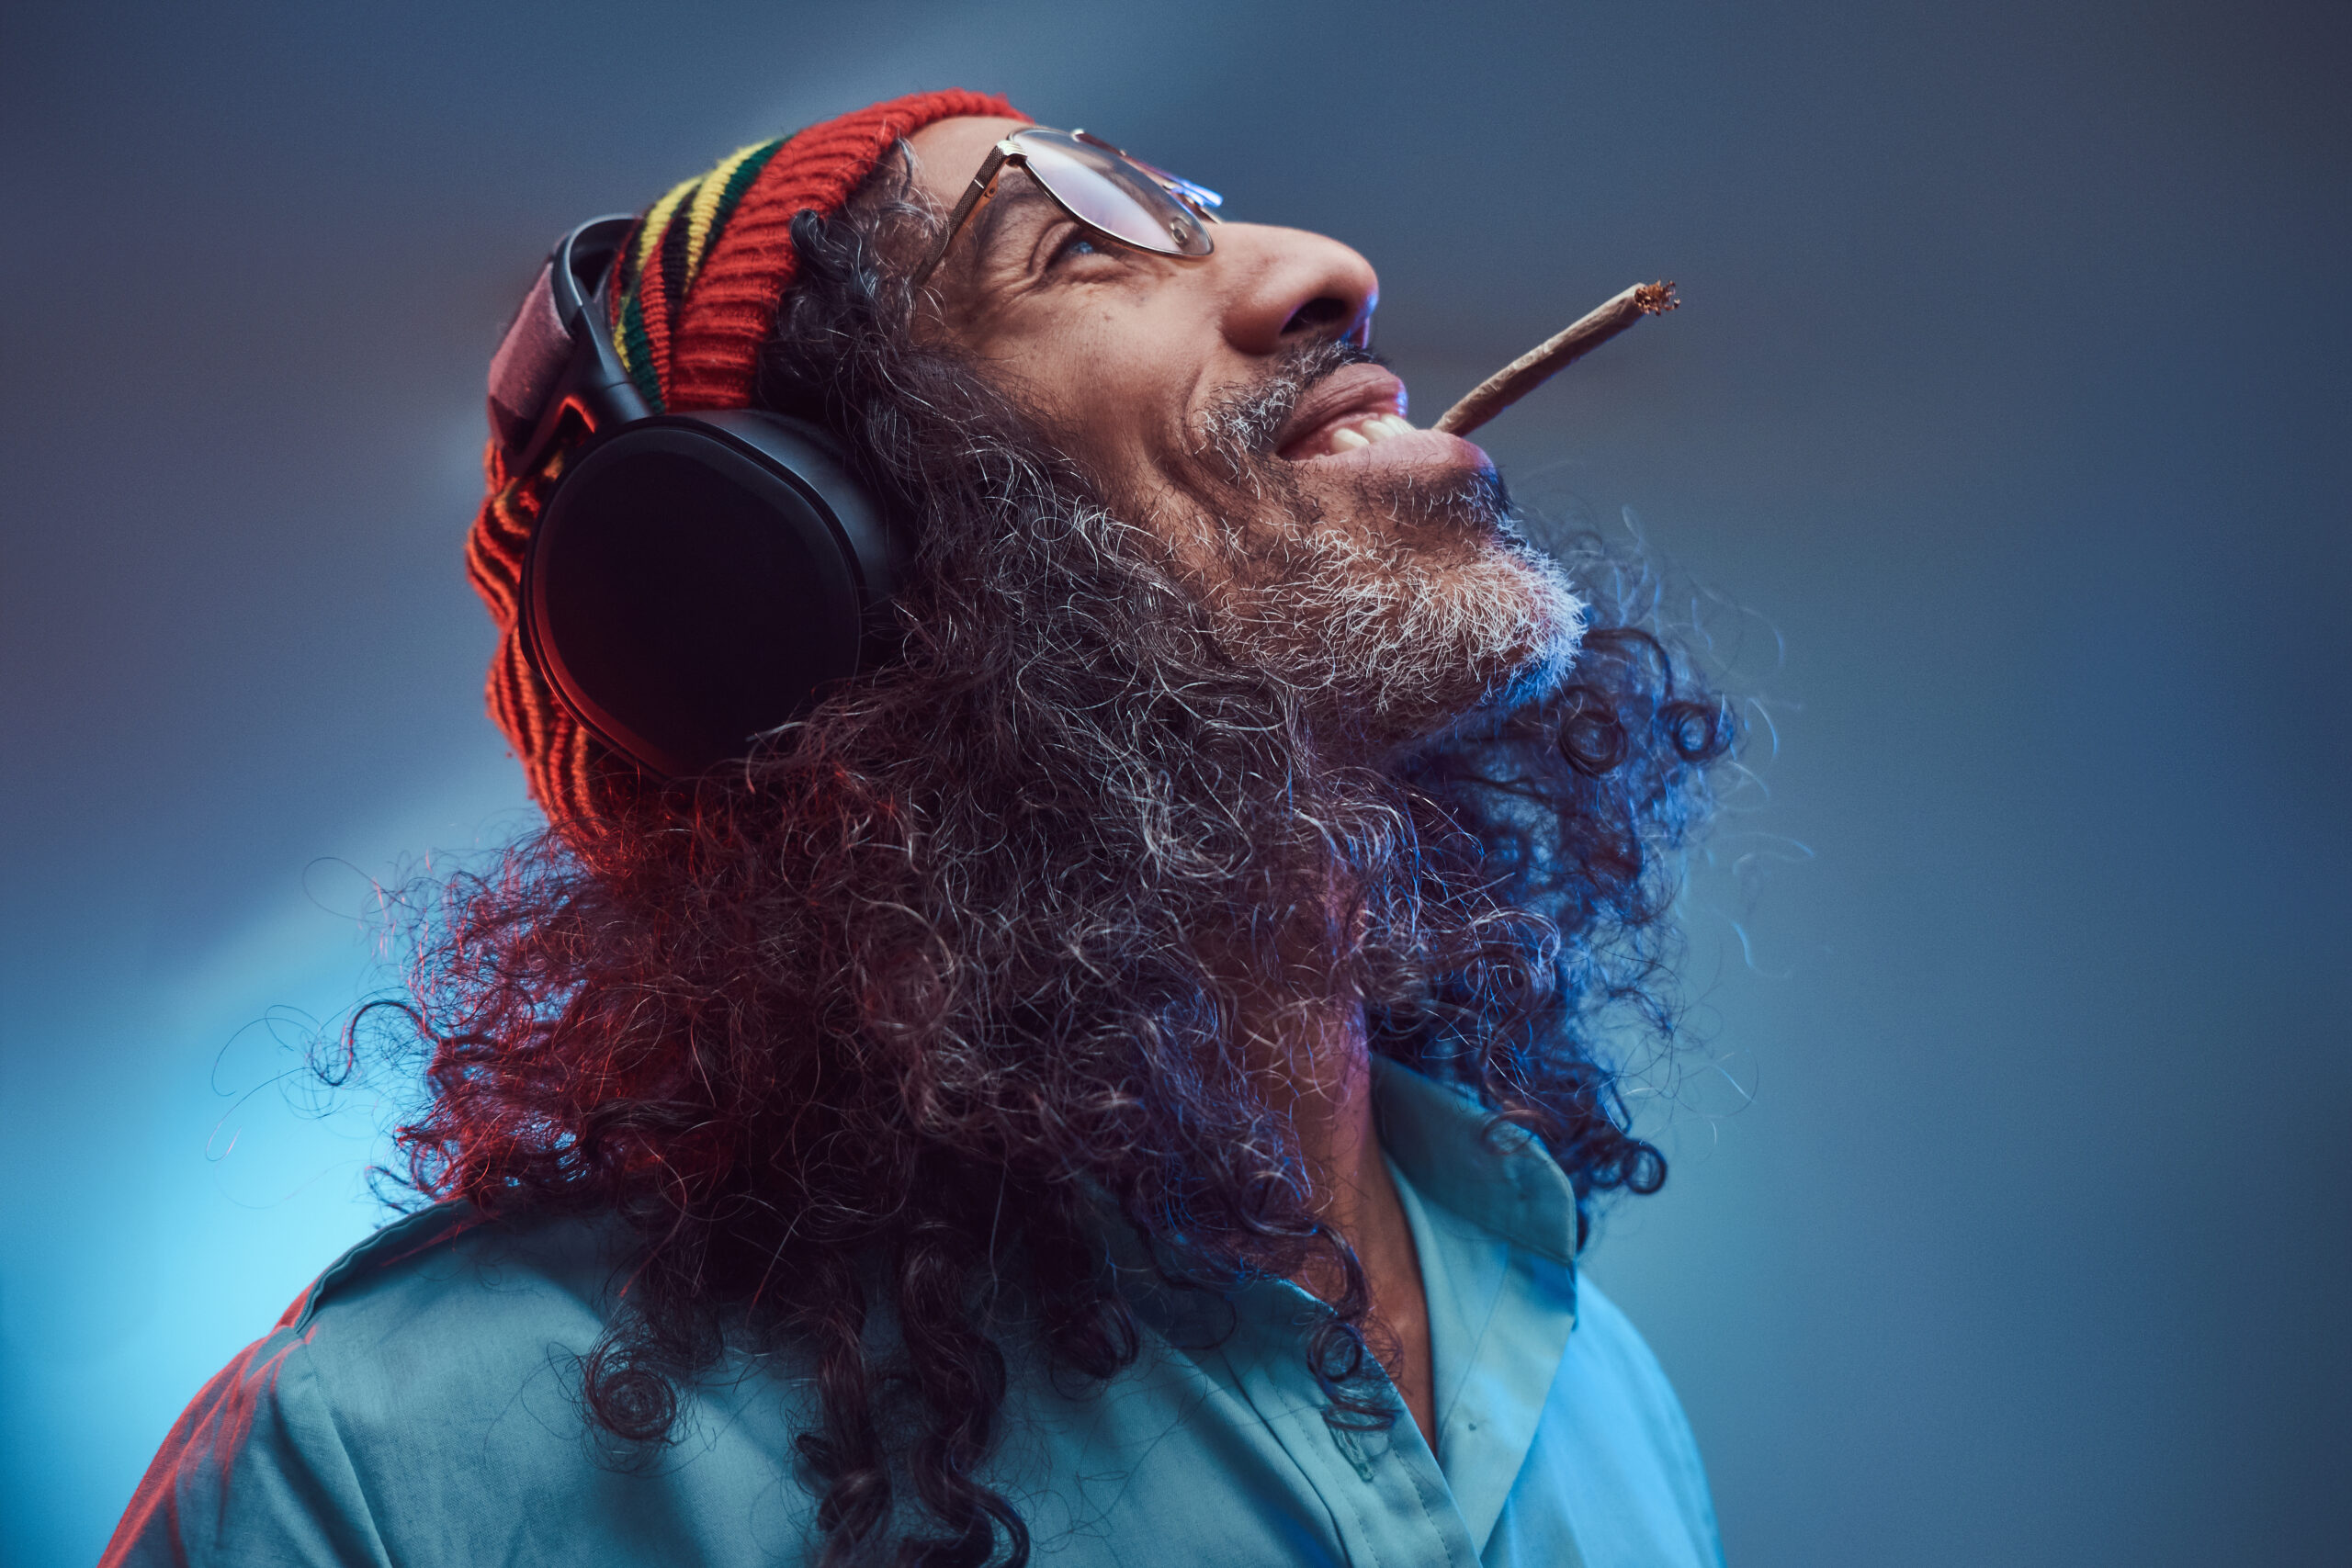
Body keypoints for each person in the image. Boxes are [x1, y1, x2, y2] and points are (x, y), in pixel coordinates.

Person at [106, 89, 1736, 1567]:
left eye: (1197, 206)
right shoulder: (390, 1475)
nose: (1326, 267)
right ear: (819, 580)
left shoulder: (1590, 1374)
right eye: (1076, 246)